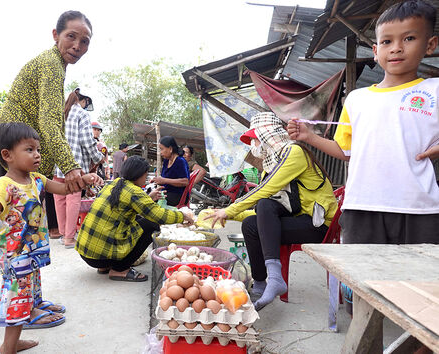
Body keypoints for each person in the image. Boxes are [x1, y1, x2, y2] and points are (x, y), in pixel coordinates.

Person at [288, 0, 439, 246]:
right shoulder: (357, 99)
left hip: (419, 208)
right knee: (365, 280)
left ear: (430, 45)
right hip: (362, 206)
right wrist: (309, 136)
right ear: (375, 51)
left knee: (417, 280)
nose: (396, 48)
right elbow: (347, 151)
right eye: (387, 41)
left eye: (409, 38)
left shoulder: (434, 90)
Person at [0, 123, 99, 354]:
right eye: (30, 149)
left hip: (30, 252)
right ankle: (8, 348)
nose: (37, 155)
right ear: (7, 155)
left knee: (31, 292)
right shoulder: (4, 186)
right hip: (15, 257)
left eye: (38, 149)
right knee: (18, 302)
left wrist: (84, 180)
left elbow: (63, 189)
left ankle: (16, 339)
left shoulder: (37, 179)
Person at [0, 10, 94, 240]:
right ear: (56, 35)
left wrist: (79, 175)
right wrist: (70, 167)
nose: (77, 46)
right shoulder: (51, 63)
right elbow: (49, 122)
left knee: (28, 227)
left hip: (18, 151)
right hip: (8, 148)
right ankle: (12, 270)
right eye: (71, 36)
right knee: (17, 227)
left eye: (84, 41)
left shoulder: (56, 65)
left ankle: (26, 271)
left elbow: (48, 123)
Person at [207, 113, 337, 311]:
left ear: (267, 134)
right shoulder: (271, 164)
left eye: (254, 139)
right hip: (299, 219)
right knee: (251, 224)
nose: (253, 144)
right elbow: (267, 216)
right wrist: (228, 214)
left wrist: (230, 209)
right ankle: (260, 283)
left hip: (318, 224)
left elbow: (264, 191)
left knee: (265, 203)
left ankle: (275, 277)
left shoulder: (294, 153)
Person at [76, 156, 195, 281]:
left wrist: (148, 198)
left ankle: (105, 267)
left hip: (86, 252)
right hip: (100, 256)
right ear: (140, 175)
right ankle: (120, 269)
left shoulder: (113, 184)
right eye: (145, 175)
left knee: (136, 221)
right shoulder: (134, 191)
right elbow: (158, 215)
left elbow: (125, 207)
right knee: (151, 225)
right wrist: (182, 216)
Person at [54, 90, 104, 248]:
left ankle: (63, 233)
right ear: (83, 101)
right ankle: (69, 238)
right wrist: (97, 157)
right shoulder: (81, 114)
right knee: (72, 199)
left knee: (60, 199)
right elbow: (87, 141)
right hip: (75, 165)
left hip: (59, 163)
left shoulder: (62, 112)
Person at [152, 136, 190, 206]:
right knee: (150, 196)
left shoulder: (180, 161)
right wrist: (157, 180)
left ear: (170, 149)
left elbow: (185, 181)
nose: (160, 152)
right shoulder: (166, 160)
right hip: (167, 192)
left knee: (152, 203)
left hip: (178, 195)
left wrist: (164, 180)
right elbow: (164, 179)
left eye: (162, 149)